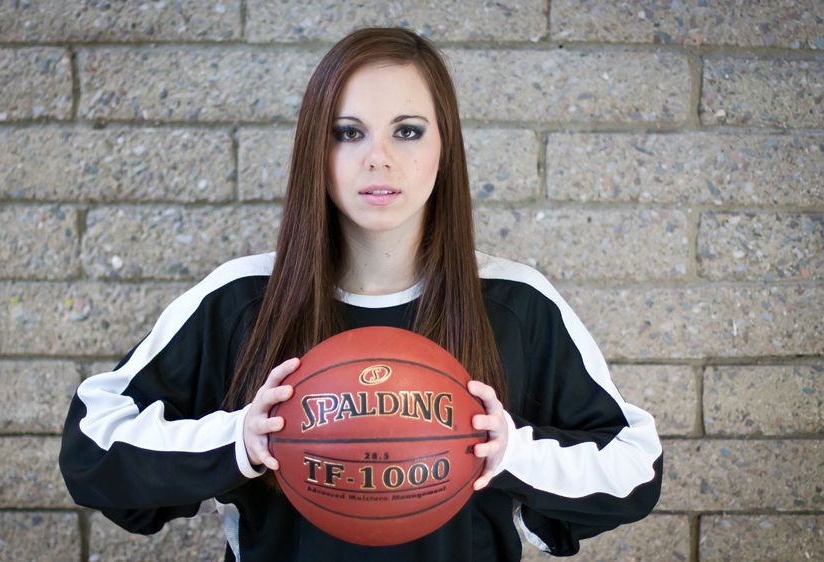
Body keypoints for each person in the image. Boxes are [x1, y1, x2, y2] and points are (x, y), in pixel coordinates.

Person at [60, 27, 662, 561]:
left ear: (443, 147)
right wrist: (236, 439)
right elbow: (91, 443)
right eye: (348, 133)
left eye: (407, 131)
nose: (379, 158)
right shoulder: (242, 297)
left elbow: (636, 467)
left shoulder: (516, 302)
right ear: (314, 152)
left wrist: (512, 454)